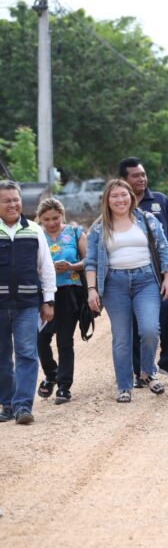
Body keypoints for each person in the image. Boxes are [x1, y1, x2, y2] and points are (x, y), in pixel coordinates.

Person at [85, 179, 168, 403]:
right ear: (107, 200)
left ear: (131, 197)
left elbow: (164, 249)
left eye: (123, 195)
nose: (120, 200)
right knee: (122, 338)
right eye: (114, 196)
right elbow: (91, 261)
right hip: (114, 283)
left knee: (150, 329)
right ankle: (124, 386)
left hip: (146, 280)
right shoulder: (99, 227)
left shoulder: (147, 220)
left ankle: (147, 372)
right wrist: (92, 289)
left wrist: (167, 278)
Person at [119, 157, 168, 381]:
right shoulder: (119, 204)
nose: (142, 179)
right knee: (140, 321)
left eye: (143, 174)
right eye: (136, 175)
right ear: (124, 179)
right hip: (137, 271)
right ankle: (140, 370)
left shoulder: (160, 200)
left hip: (165, 268)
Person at [0, 180, 56, 424]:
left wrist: (49, 301)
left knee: (27, 353)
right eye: (6, 200)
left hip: (27, 304)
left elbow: (46, 268)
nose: (13, 204)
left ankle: (23, 406)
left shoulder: (34, 230)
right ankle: (7, 404)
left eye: (15, 199)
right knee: (1, 356)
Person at [35, 198, 87, 405]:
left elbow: (89, 261)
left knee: (65, 340)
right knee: (40, 339)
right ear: (40, 219)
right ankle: (51, 374)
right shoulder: (35, 234)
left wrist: (72, 267)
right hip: (44, 293)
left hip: (69, 292)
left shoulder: (75, 233)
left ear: (62, 215)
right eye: (46, 219)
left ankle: (64, 387)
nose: (51, 223)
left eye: (55, 218)